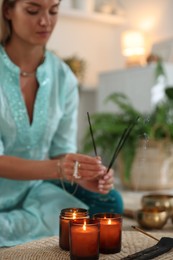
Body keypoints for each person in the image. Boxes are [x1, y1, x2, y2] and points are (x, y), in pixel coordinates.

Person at [0, 0, 123, 247]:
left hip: (34, 188)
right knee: (80, 219)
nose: (46, 21)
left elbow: (60, 151)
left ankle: (13, 227)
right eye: (33, 10)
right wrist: (60, 169)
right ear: (8, 11)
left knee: (109, 202)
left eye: (53, 10)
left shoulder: (64, 76)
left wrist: (84, 174)